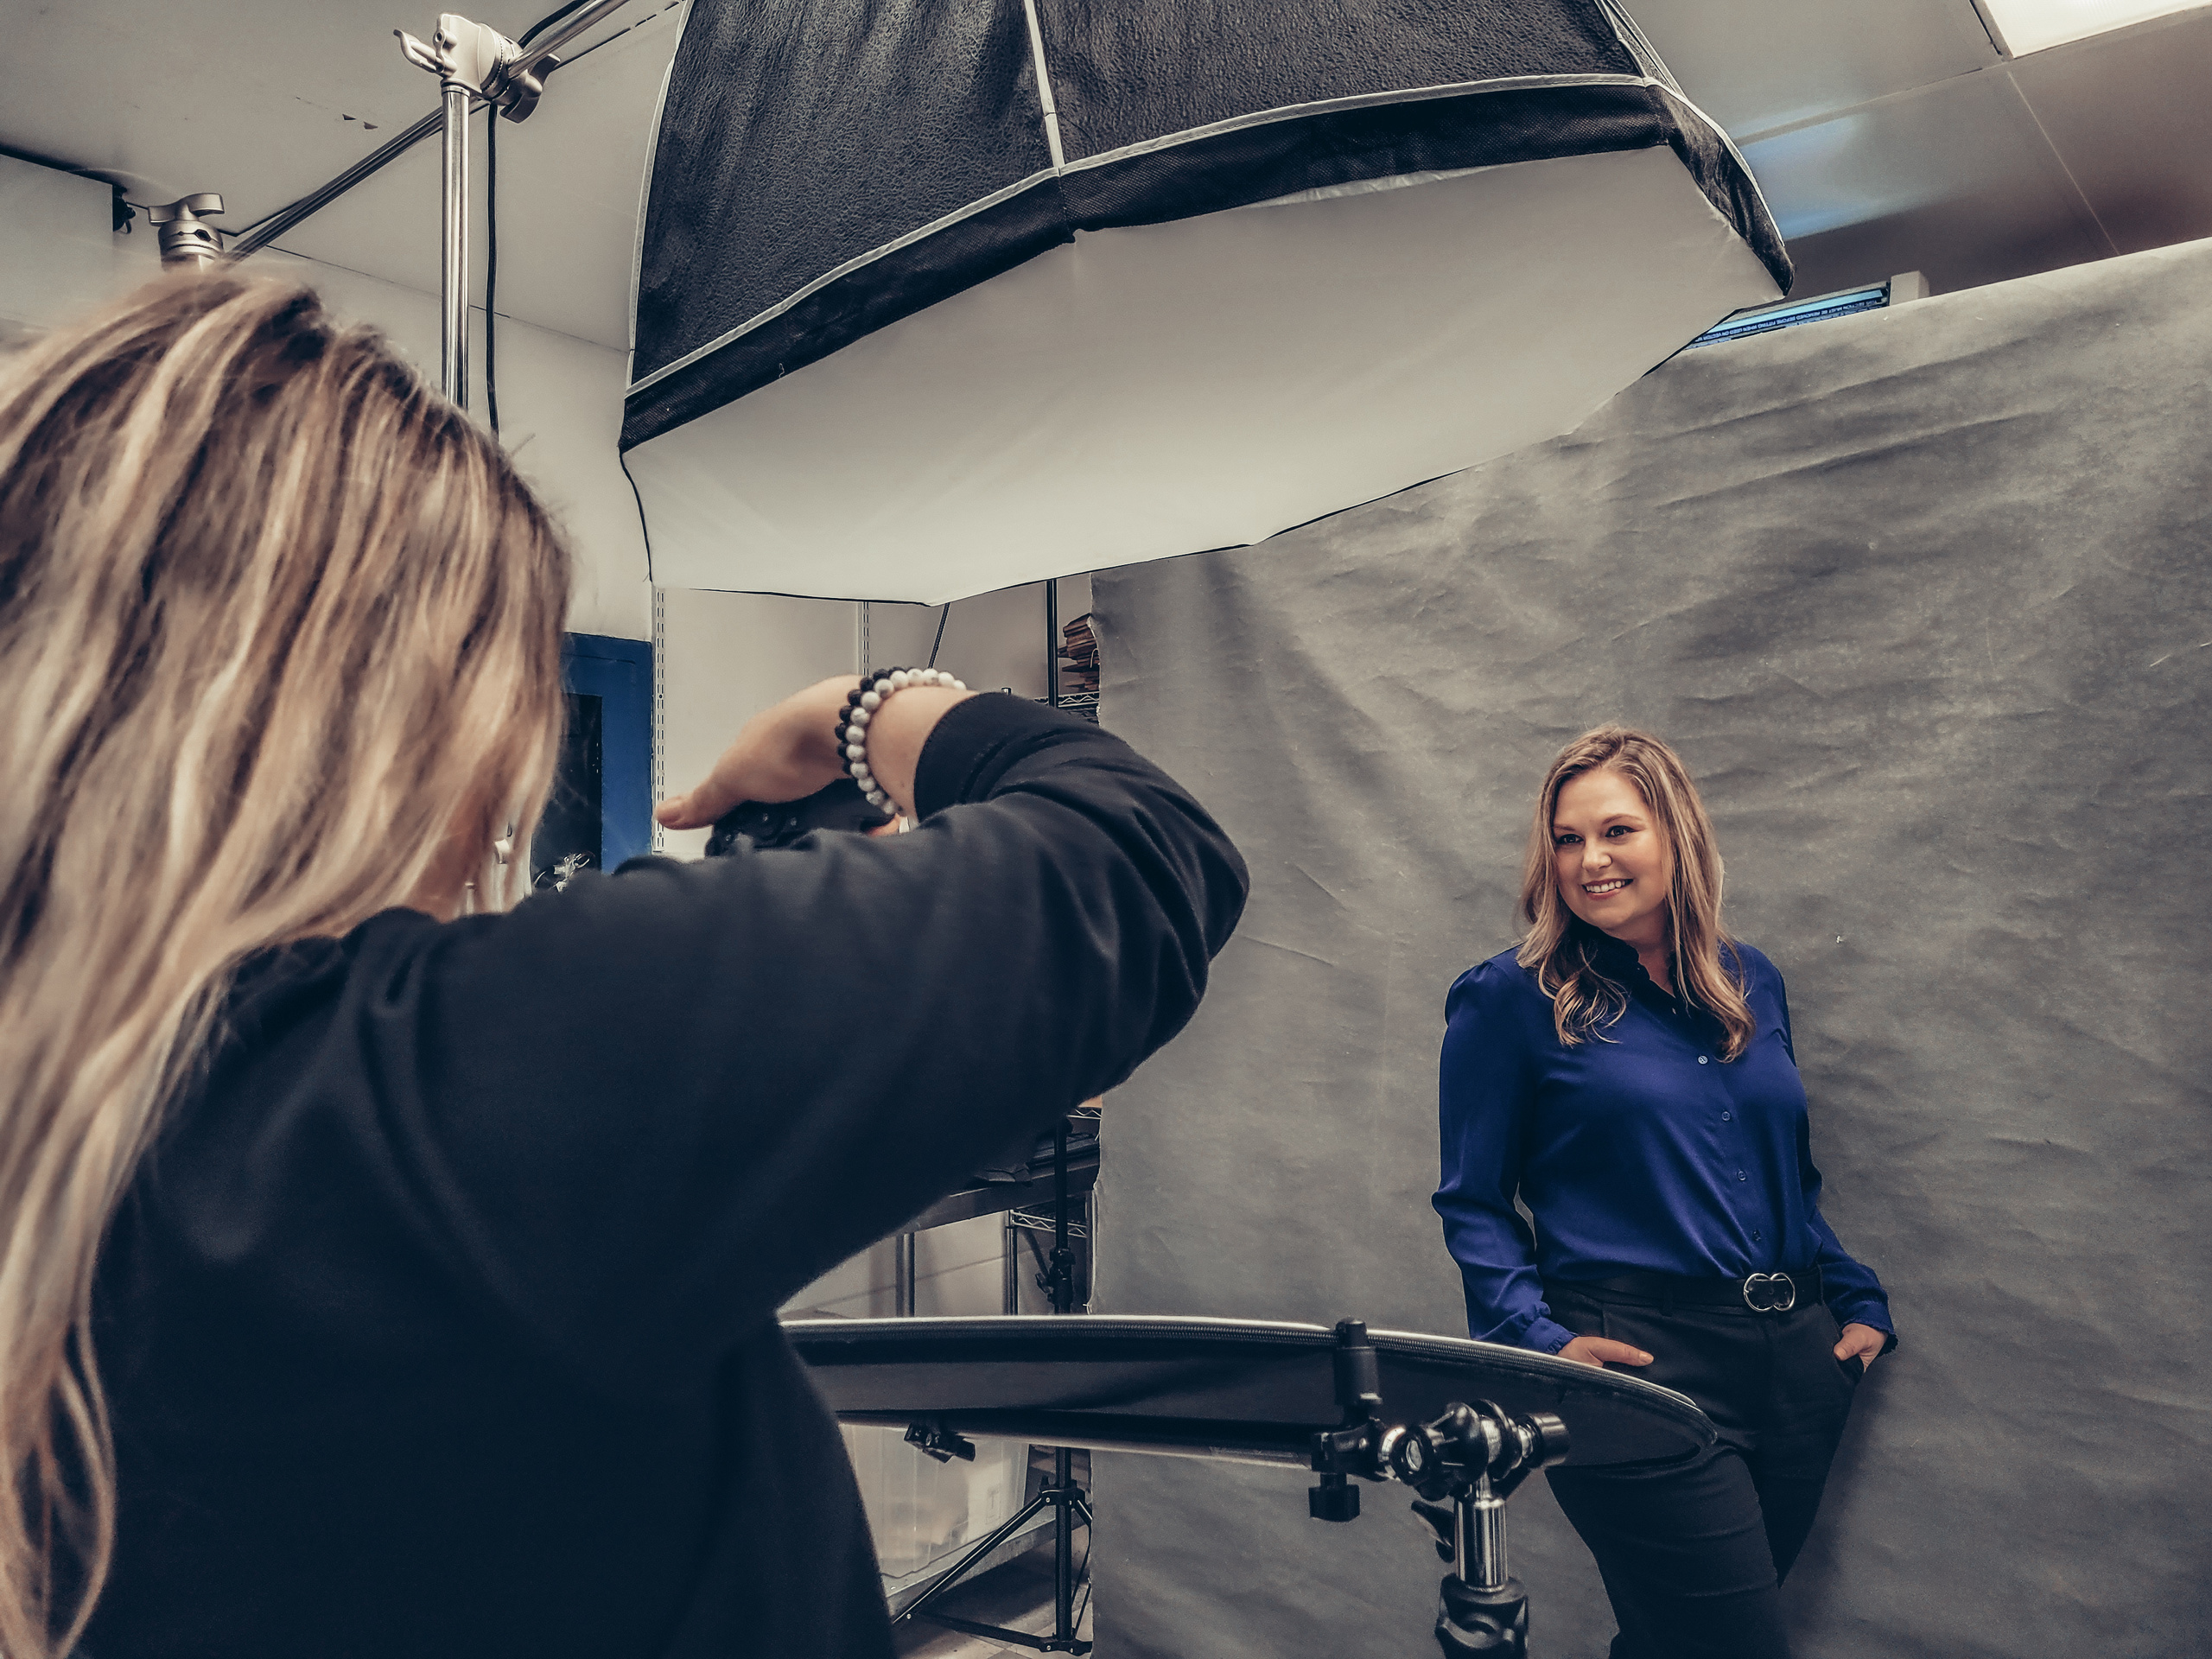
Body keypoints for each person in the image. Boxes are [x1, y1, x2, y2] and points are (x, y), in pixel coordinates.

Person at [0, 274, 1247, 1659]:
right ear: (402, 707)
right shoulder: (429, 1095)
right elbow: (1140, 859)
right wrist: (879, 711)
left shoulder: (109, 1139)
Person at [1433, 726, 1893, 1659]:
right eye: (1567, 839)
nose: (1590, 860)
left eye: (1617, 831)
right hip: (1641, 1364)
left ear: (1675, 835)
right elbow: (1472, 1200)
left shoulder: (1749, 979)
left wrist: (1853, 1297)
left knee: (1671, 1643)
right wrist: (1540, 1344)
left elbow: (1785, 1174)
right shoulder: (1508, 1000)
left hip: (1795, 1364)